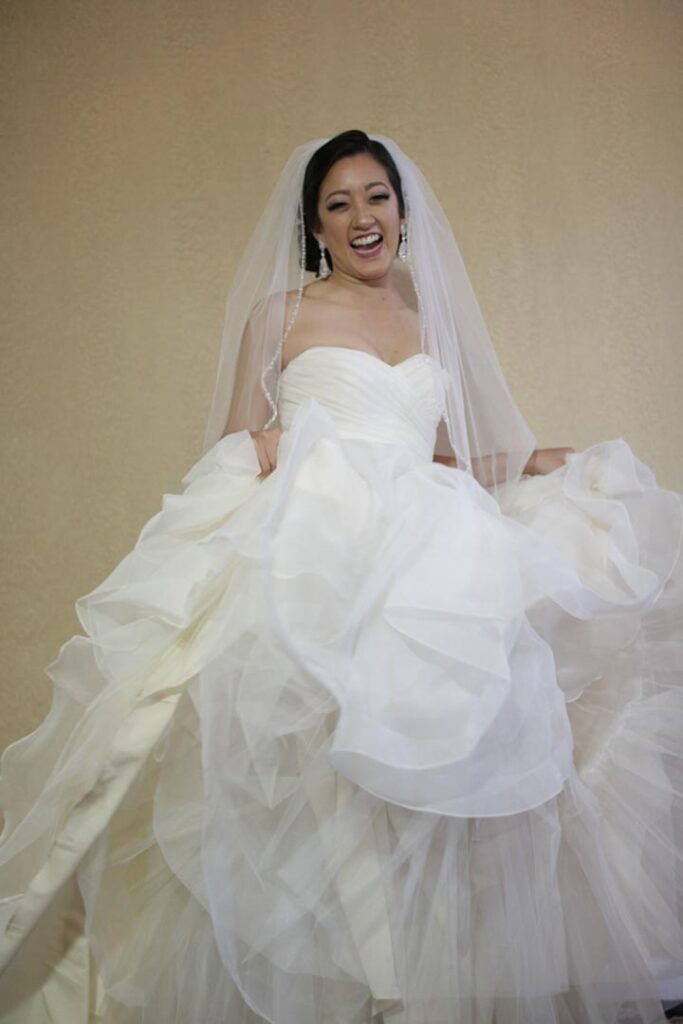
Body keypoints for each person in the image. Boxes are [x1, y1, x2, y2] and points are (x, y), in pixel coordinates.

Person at [0, 130, 681, 1024]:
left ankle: (409, 985)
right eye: (338, 204)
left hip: (419, 547)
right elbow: (236, 442)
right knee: (302, 760)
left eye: (376, 197)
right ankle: (347, 987)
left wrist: (533, 459)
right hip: (313, 543)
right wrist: (278, 448)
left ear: (402, 211)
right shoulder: (281, 314)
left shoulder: (431, 316)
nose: (362, 216)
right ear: (316, 228)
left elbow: (441, 458)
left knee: (433, 746)